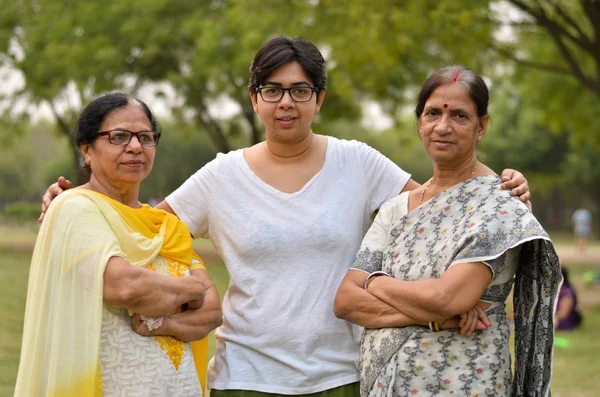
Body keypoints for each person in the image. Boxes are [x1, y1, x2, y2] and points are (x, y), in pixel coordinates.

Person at [39, 37, 532, 396]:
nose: (286, 103)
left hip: (342, 374)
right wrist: (73, 202)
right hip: (246, 375)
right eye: (272, 90)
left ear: (319, 98)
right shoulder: (222, 175)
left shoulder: (356, 161)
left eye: (300, 90)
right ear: (255, 100)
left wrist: (500, 188)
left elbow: (436, 208)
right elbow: (139, 228)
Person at [334, 65, 561, 397]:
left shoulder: (498, 205)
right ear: (419, 123)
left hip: (465, 383)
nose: (443, 126)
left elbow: (447, 297)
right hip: (387, 383)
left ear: (481, 126)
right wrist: (438, 320)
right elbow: (346, 301)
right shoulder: (397, 208)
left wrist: (375, 282)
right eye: (432, 114)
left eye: (459, 116)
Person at [15, 93, 222, 396]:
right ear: (86, 150)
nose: (136, 147)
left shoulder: (164, 225)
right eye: (119, 136)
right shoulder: (76, 208)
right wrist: (192, 289)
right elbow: (126, 288)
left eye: (146, 137)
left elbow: (212, 314)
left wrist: (163, 324)